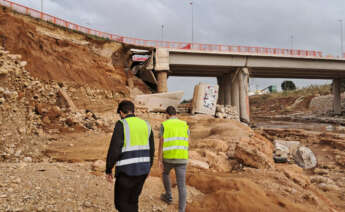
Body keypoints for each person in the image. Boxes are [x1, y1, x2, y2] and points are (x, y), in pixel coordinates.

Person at [105, 100, 154, 212]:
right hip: (143, 171)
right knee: (133, 200)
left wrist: (108, 169)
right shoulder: (146, 124)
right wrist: (149, 167)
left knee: (121, 204)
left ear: (121, 112)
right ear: (133, 110)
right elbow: (152, 149)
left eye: (120, 114)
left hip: (126, 172)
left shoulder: (122, 124)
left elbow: (114, 149)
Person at [158, 106, 189, 212]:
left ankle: (168, 196)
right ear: (176, 114)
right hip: (182, 158)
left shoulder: (164, 125)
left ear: (167, 114)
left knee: (165, 173)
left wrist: (159, 160)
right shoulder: (184, 124)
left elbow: (161, 144)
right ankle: (181, 210)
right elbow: (187, 139)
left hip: (168, 158)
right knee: (182, 185)